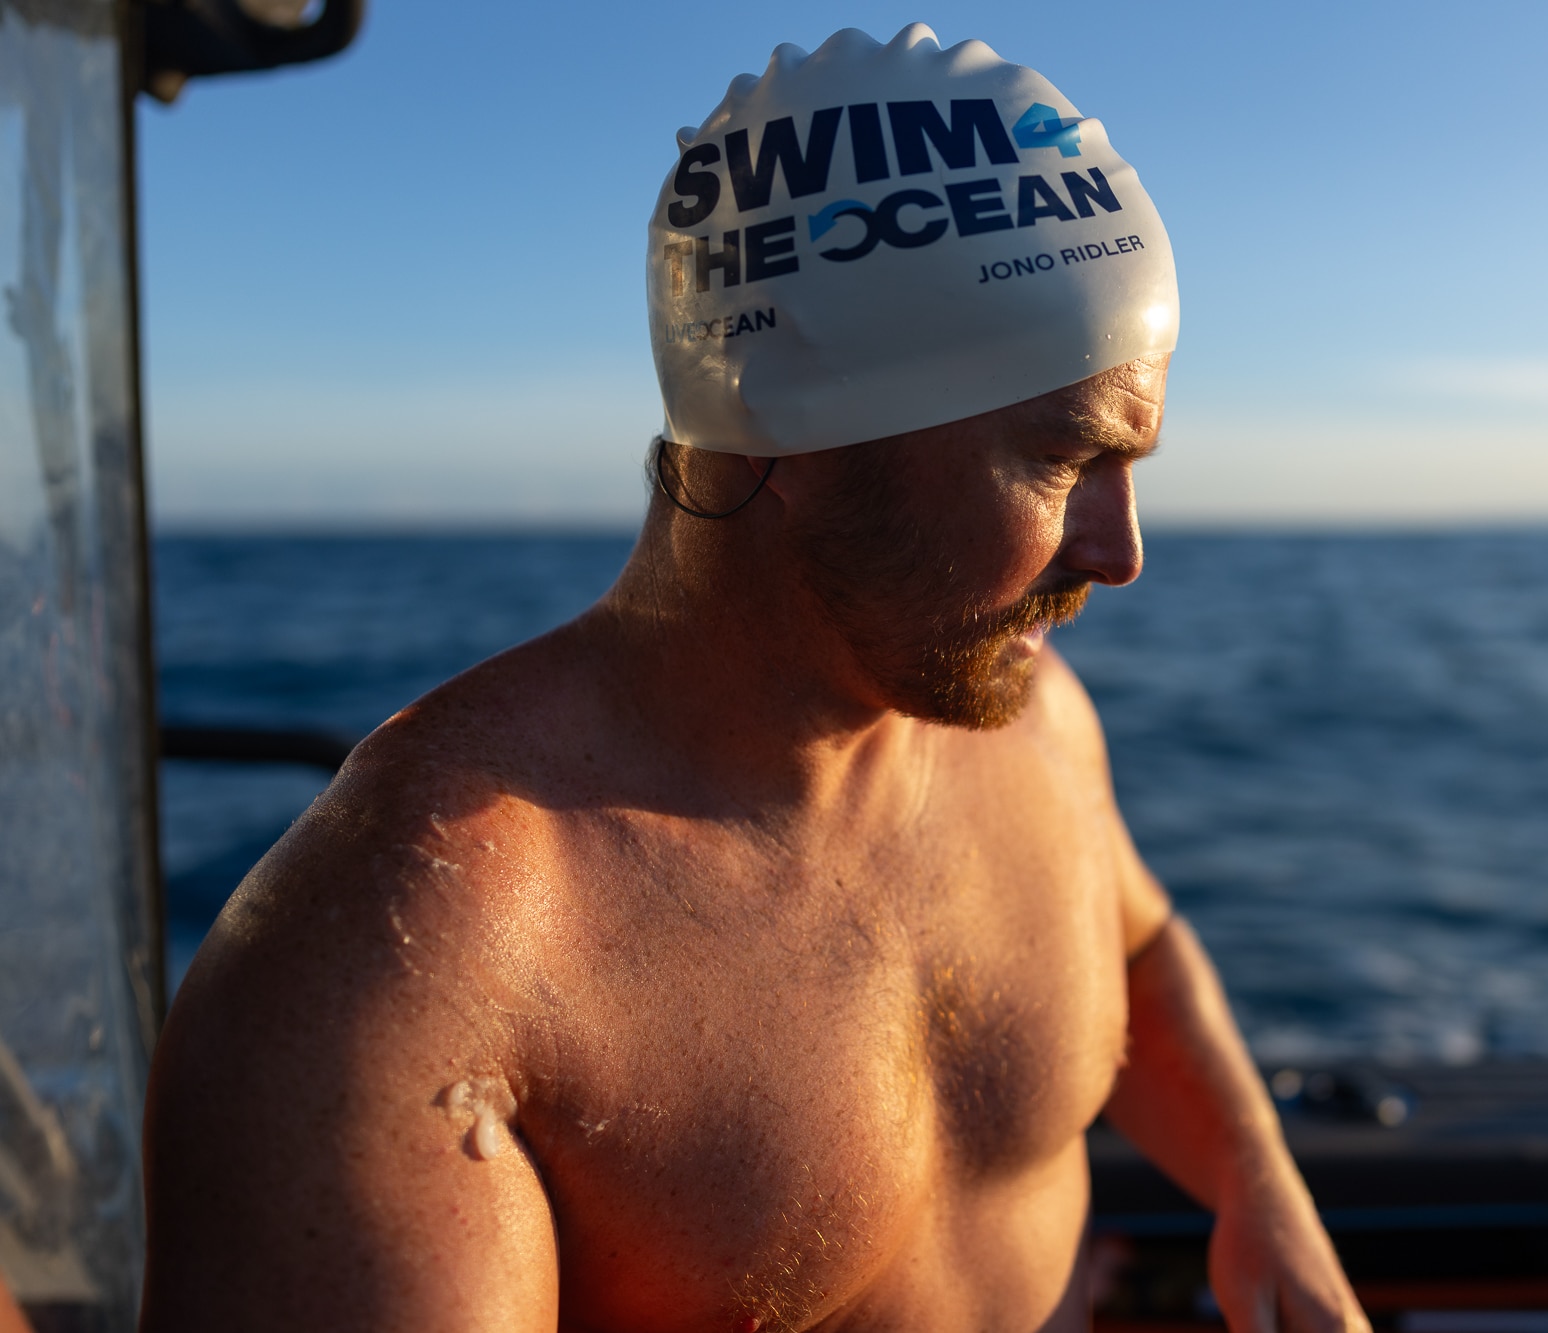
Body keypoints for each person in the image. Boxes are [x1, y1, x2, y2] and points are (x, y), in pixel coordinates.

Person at [142, 25, 1368, 1333]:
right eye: (1067, 463)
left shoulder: (1034, 728)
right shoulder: (421, 959)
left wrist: (1255, 1183)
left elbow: (1136, 941)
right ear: (792, 429)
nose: (1121, 555)